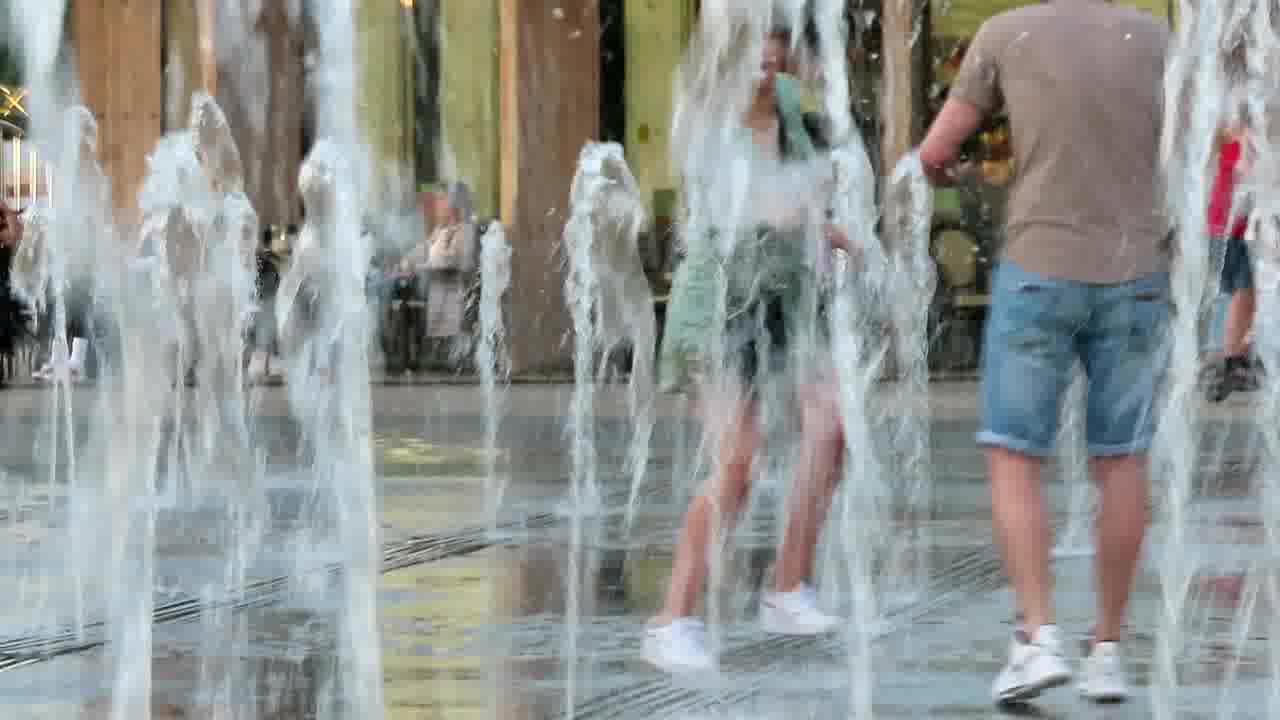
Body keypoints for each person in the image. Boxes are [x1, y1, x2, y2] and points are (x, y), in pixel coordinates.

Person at [919, 1, 1170, 706]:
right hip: (1136, 273)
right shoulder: (1156, 38)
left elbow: (934, 152)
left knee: (1014, 453)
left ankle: (1037, 638)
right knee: (1122, 459)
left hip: (1038, 267)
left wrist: (958, 174)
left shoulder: (1007, 32)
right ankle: (1108, 651)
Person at [643, 24, 854, 674]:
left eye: (776, 41)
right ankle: (671, 620)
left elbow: (799, 198)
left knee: (831, 430)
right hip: (717, 307)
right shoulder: (706, 118)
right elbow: (753, 208)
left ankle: (788, 587)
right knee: (738, 460)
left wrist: (830, 228)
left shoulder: (788, 105)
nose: (767, 55)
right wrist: (802, 206)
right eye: (753, 42)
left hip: (785, 299)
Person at [1206, 124, 1257, 402]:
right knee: (1243, 289)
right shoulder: (1239, 135)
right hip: (1232, 226)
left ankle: (1234, 358)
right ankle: (1232, 359)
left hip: (1228, 224)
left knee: (1242, 291)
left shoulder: (1231, 134)